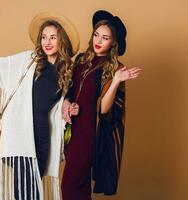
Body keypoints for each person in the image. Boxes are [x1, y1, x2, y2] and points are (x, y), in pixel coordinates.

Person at [0, 8, 79, 200]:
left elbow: (65, 99)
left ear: (61, 40)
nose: (47, 42)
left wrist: (67, 104)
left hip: (43, 137)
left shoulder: (67, 71)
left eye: (53, 37)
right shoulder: (29, 60)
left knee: (34, 191)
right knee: (24, 191)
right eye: (44, 37)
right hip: (20, 135)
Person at [61, 10, 142, 200]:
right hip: (72, 131)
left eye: (105, 38)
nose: (98, 40)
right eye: (96, 34)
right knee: (78, 188)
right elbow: (68, 92)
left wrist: (116, 80)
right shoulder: (81, 59)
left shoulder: (115, 68)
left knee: (70, 187)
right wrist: (67, 105)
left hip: (90, 133)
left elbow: (104, 109)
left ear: (113, 43)